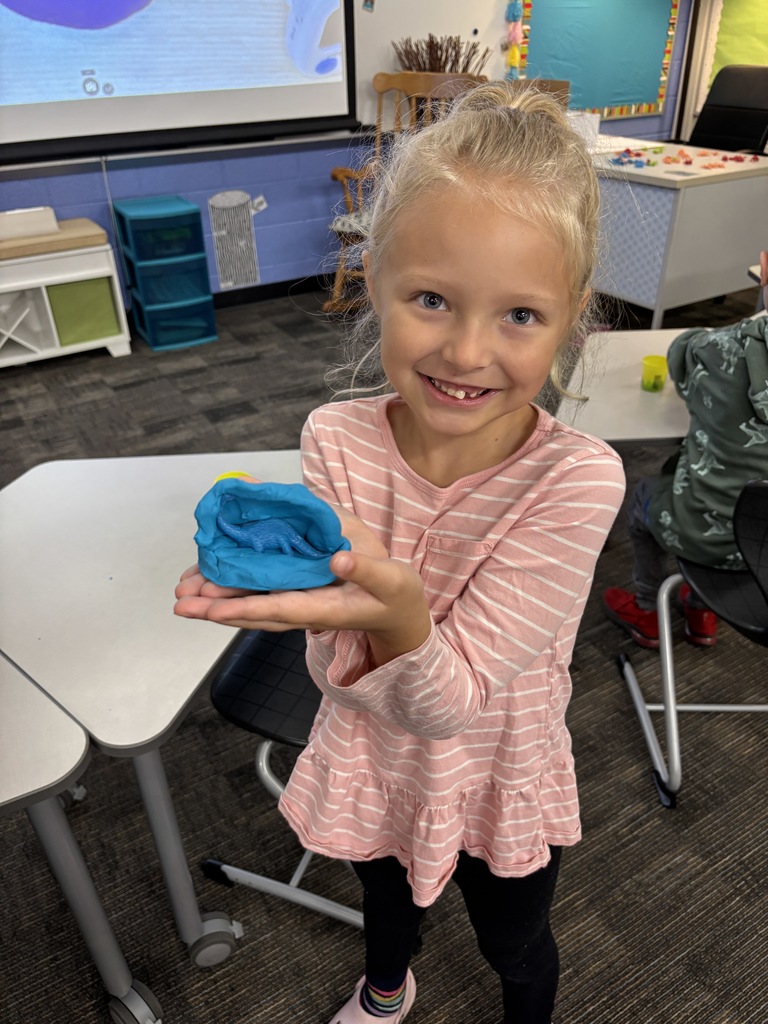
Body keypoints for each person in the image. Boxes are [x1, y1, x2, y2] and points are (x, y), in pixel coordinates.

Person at [175, 80, 625, 1024]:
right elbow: (336, 677)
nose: (464, 352)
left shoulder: (576, 480)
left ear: (572, 316)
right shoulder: (336, 440)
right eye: (431, 299)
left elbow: (452, 703)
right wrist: (322, 601)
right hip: (375, 759)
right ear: (373, 278)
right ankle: (387, 991)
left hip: (497, 766)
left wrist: (394, 611)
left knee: (514, 939)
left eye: (519, 315)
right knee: (386, 908)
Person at [604, 252, 768, 650]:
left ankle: (647, 609)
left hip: (706, 538)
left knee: (644, 494)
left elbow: (682, 353)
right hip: (763, 561)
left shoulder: (720, 349)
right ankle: (700, 609)